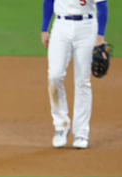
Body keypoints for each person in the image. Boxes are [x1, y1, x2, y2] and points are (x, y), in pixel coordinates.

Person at [41, 0, 109, 149]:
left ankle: (81, 133)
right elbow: (48, 1)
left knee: (83, 81)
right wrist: (44, 28)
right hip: (60, 26)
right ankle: (61, 125)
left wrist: (100, 37)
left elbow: (103, 6)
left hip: (87, 28)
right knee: (54, 76)